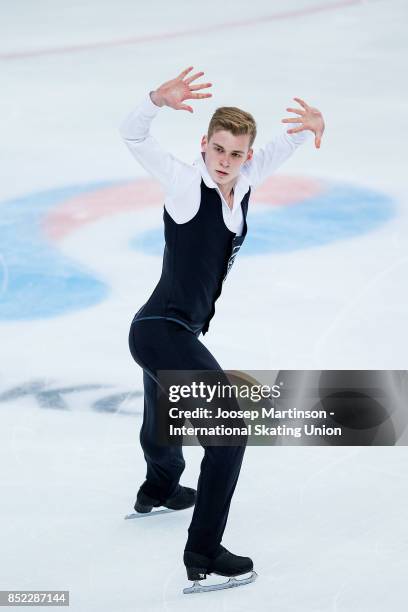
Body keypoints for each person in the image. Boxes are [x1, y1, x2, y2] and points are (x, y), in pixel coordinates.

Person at [120, 66, 325, 593]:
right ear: (204, 146)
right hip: (161, 329)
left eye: (236, 153)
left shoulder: (247, 179)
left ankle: (160, 487)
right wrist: (153, 100)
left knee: (163, 409)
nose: (226, 161)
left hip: (169, 329)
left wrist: (310, 126)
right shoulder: (188, 185)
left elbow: (280, 147)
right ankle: (204, 552)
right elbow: (133, 136)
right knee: (230, 431)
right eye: (218, 150)